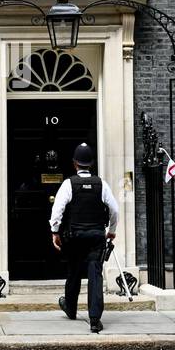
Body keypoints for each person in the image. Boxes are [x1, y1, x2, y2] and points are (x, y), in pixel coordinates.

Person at [49, 142, 119, 333]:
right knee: (95, 274)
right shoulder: (101, 184)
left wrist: (55, 231)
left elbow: (58, 211)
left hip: (75, 236)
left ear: (74, 164)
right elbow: (114, 210)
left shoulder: (68, 184)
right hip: (96, 235)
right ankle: (95, 319)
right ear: (91, 164)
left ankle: (70, 307)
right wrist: (111, 230)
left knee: (73, 271)